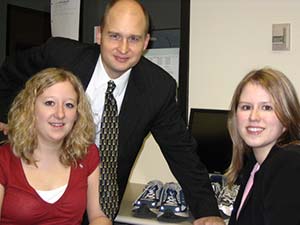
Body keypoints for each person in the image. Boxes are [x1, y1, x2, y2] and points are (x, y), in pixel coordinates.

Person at [0, 0, 224, 224]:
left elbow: (182, 153)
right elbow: (10, 73)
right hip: (42, 197)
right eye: (115, 36)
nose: (123, 48)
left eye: (134, 38)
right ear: (99, 35)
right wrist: (7, 118)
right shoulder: (61, 56)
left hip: (102, 209)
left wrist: (208, 210)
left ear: (146, 41)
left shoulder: (158, 88)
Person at [0, 68, 111, 225]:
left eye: (69, 105)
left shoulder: (87, 154)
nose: (60, 114)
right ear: (30, 108)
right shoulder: (3, 159)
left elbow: (97, 216)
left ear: (78, 113)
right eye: (49, 103)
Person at [225, 67, 300, 225]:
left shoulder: (289, 163)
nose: (253, 117)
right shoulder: (255, 164)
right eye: (246, 107)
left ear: (287, 116)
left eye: (266, 107)